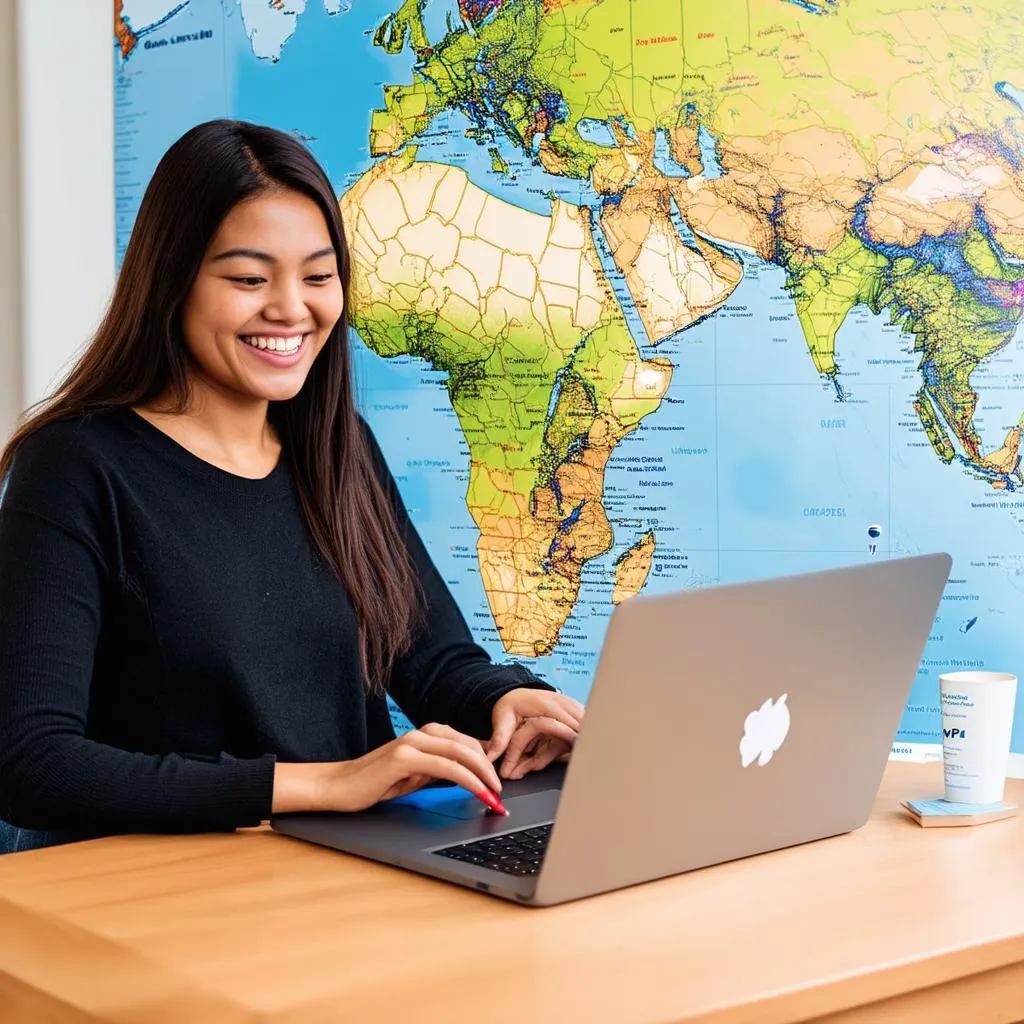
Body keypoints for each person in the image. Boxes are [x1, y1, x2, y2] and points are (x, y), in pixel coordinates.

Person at [0, 119, 583, 850]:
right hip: (162, 891)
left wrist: (509, 701)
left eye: (318, 275)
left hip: (336, 870)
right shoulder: (77, 465)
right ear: (171, 280)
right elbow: (32, 762)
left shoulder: (339, 450)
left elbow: (430, 658)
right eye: (248, 278)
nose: (291, 308)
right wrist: (327, 783)